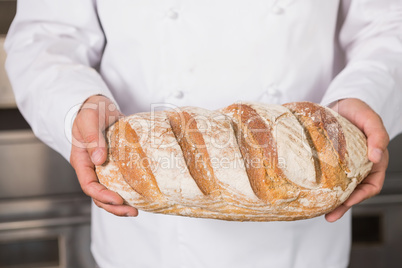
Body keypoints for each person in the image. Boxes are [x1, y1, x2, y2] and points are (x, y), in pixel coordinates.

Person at [5, 0, 402, 267]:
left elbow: (389, 25)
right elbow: (47, 37)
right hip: (145, 236)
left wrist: (363, 97)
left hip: (303, 232)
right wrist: (78, 106)